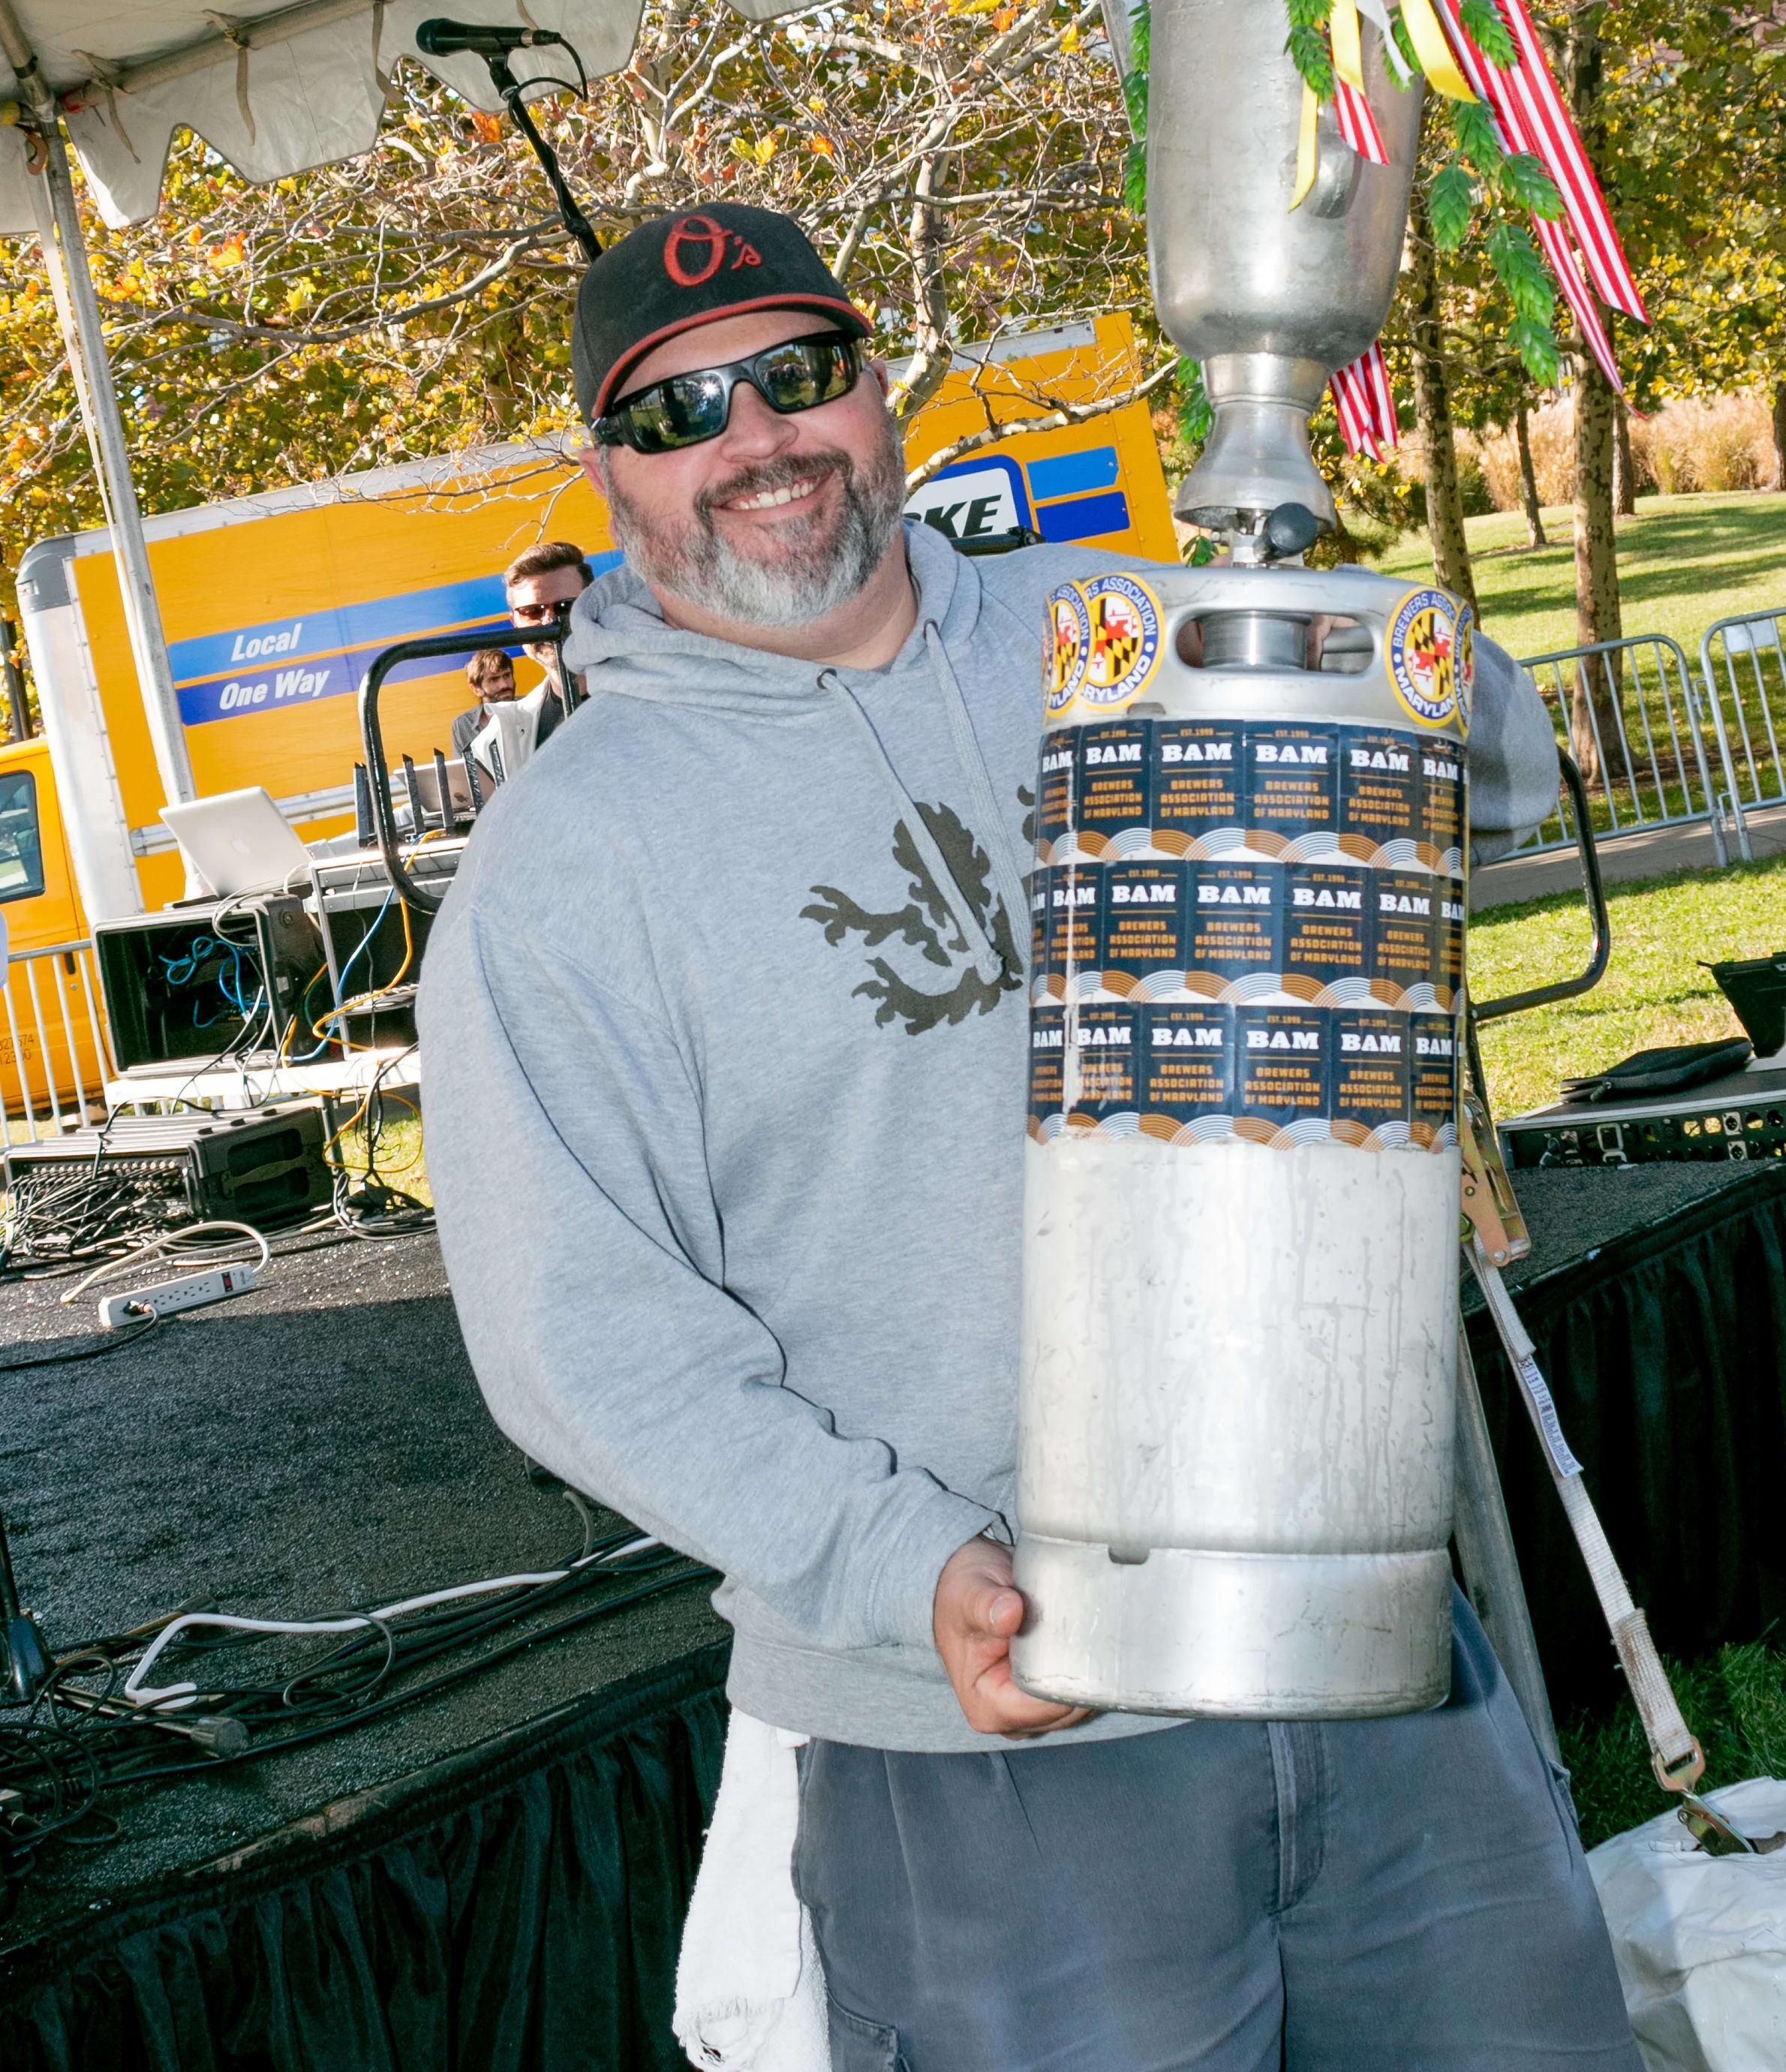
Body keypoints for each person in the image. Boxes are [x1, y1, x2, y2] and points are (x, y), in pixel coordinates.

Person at [418, 203, 1636, 2071]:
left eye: (799, 372)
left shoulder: (1123, 629)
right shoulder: (562, 869)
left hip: (1362, 1629)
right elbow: (582, 1344)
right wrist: (899, 1568)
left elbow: (1495, 785)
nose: (757, 438)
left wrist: (1375, 646)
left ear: (878, 392)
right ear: (606, 473)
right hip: (986, 1731)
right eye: (679, 411)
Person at [503, 537, 593, 745]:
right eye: (532, 612)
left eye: (565, 606)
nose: (549, 620)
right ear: (515, 623)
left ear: (593, 605)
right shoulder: (505, 736)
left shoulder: (655, 691)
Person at [451, 645, 518, 796]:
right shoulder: (463, 725)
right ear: (476, 689)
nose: (504, 685)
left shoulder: (531, 707)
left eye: (507, 675)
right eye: (494, 679)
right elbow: (463, 781)